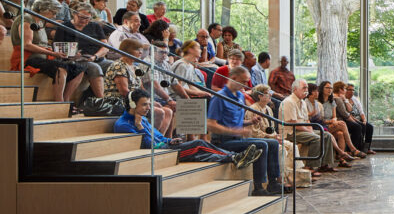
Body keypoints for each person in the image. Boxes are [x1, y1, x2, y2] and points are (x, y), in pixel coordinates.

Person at [115, 89, 261, 168]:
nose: (148, 108)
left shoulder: (142, 118)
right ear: (132, 105)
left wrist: (169, 140)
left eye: (148, 104)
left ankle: (236, 158)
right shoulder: (124, 125)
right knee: (199, 145)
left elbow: (158, 136)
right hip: (159, 154)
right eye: (144, 105)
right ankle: (234, 156)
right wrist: (140, 127)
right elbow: (148, 146)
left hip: (166, 147)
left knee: (201, 155)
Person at [207, 66, 283, 196]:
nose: (245, 85)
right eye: (243, 81)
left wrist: (250, 122)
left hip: (238, 139)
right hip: (223, 141)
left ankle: (273, 183)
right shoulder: (219, 98)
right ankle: (258, 187)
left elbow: (237, 122)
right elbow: (211, 125)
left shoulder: (240, 97)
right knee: (262, 144)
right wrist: (234, 130)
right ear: (233, 78)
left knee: (273, 143)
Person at [10, 0, 86, 102]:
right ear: (44, 9)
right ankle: (59, 102)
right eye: (53, 12)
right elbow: (27, 45)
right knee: (61, 68)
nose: (54, 15)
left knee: (79, 69)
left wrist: (68, 53)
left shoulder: (41, 22)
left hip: (43, 57)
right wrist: (54, 54)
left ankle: (66, 99)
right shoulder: (27, 19)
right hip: (28, 58)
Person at [104, 39, 171, 134]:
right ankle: (150, 139)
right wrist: (144, 103)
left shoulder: (135, 67)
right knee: (159, 112)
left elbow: (141, 88)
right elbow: (124, 92)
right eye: (137, 49)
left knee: (168, 111)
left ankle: (159, 139)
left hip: (136, 100)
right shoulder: (118, 66)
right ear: (127, 50)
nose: (141, 52)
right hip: (120, 101)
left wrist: (150, 101)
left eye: (141, 50)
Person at [246, 84, 300, 190]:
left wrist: (276, 135)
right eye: (267, 93)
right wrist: (272, 137)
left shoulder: (268, 109)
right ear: (260, 96)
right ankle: (279, 179)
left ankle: (294, 176)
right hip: (261, 139)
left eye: (270, 93)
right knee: (281, 150)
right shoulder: (253, 109)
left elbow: (272, 128)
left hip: (271, 137)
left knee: (293, 146)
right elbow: (253, 132)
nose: (270, 95)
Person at [281, 79, 337, 176]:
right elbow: (293, 123)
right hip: (291, 132)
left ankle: (324, 164)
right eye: (304, 88)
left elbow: (306, 120)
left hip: (302, 129)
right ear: (295, 89)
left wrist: (310, 129)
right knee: (316, 138)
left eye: (307, 88)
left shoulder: (302, 102)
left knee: (327, 135)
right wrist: (308, 131)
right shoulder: (289, 102)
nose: (306, 90)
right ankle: (310, 167)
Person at [53, 2, 112, 83]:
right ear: (74, 14)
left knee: (115, 66)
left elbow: (105, 46)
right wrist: (72, 55)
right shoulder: (64, 27)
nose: (84, 21)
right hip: (76, 60)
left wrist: (95, 56)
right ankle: (100, 96)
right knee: (94, 68)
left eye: (87, 18)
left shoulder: (95, 26)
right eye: (81, 17)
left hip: (96, 58)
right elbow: (57, 48)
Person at [318, 80, 360, 166]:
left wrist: (334, 120)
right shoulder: (318, 102)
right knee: (343, 124)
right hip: (322, 125)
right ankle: (352, 149)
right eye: (327, 88)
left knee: (340, 133)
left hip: (331, 124)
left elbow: (334, 116)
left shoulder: (332, 101)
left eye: (331, 88)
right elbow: (319, 120)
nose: (329, 90)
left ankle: (342, 159)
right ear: (322, 89)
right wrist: (331, 121)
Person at [333, 81, 368, 156]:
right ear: (340, 89)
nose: (346, 91)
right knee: (357, 127)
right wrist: (354, 121)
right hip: (340, 120)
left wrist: (345, 100)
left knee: (362, 125)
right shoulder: (337, 99)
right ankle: (352, 150)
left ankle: (360, 148)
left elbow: (350, 109)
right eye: (345, 89)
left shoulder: (341, 98)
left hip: (344, 119)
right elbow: (345, 114)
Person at [344, 83, 375, 154]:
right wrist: (359, 121)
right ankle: (358, 148)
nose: (351, 92)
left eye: (353, 90)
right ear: (345, 90)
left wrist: (364, 120)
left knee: (370, 127)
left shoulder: (355, 99)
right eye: (349, 90)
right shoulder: (343, 100)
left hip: (359, 119)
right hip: (350, 120)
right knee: (361, 126)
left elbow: (361, 112)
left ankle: (367, 148)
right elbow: (347, 114)